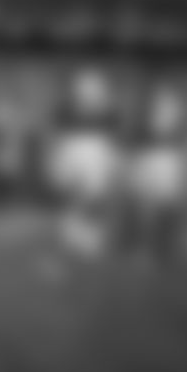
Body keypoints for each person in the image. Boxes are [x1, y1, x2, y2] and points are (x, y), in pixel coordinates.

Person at [45, 67, 125, 261]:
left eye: (94, 91)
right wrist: (58, 165)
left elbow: (113, 142)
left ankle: (88, 239)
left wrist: (113, 164)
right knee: (74, 200)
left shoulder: (109, 116)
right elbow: (59, 139)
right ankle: (71, 240)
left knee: (93, 200)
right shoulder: (66, 113)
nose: (88, 96)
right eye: (84, 90)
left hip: (97, 157)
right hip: (74, 155)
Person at [127, 81, 187, 265]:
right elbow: (138, 136)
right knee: (143, 204)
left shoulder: (174, 117)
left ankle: (161, 249)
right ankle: (140, 247)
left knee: (165, 205)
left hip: (167, 160)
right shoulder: (146, 115)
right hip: (150, 158)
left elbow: (179, 135)